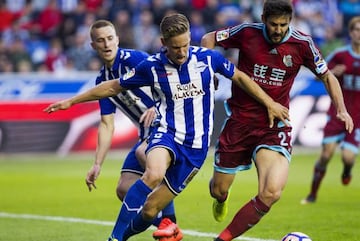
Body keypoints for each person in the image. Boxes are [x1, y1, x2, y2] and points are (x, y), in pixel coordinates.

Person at [44, 13, 290, 241]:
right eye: (175, 48)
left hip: (195, 148)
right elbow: (112, 87)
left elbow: (240, 77)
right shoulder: (152, 66)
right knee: (153, 173)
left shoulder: (207, 59)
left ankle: (147, 230)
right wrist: (71, 101)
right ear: (164, 42)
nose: (181, 52)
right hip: (167, 133)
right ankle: (115, 238)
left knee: (151, 209)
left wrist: (269, 103)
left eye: (185, 45)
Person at [200, 0, 354, 240]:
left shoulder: (302, 44)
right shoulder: (247, 32)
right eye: (274, 24)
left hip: (274, 125)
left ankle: (223, 238)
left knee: (271, 192)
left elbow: (327, 77)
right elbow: (209, 38)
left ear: (290, 22)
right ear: (264, 19)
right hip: (239, 122)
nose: (278, 30)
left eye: (283, 24)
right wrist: (208, 72)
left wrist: (341, 109)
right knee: (218, 190)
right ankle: (221, 199)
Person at [79, 19, 177, 238]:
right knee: (124, 189)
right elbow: (107, 124)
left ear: (118, 39)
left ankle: (170, 222)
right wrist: (97, 164)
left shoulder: (134, 58)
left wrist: (157, 104)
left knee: (145, 153)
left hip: (167, 124)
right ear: (93, 45)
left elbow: (168, 75)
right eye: (100, 40)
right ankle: (166, 225)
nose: (106, 44)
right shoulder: (102, 80)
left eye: (110, 38)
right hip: (146, 133)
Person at [301, 16, 360, 204]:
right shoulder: (340, 55)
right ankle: (312, 194)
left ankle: (347, 170)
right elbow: (319, 75)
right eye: (356, 29)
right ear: (350, 33)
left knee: (348, 158)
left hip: (357, 117)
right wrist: (333, 73)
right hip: (337, 113)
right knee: (326, 155)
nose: (359, 33)